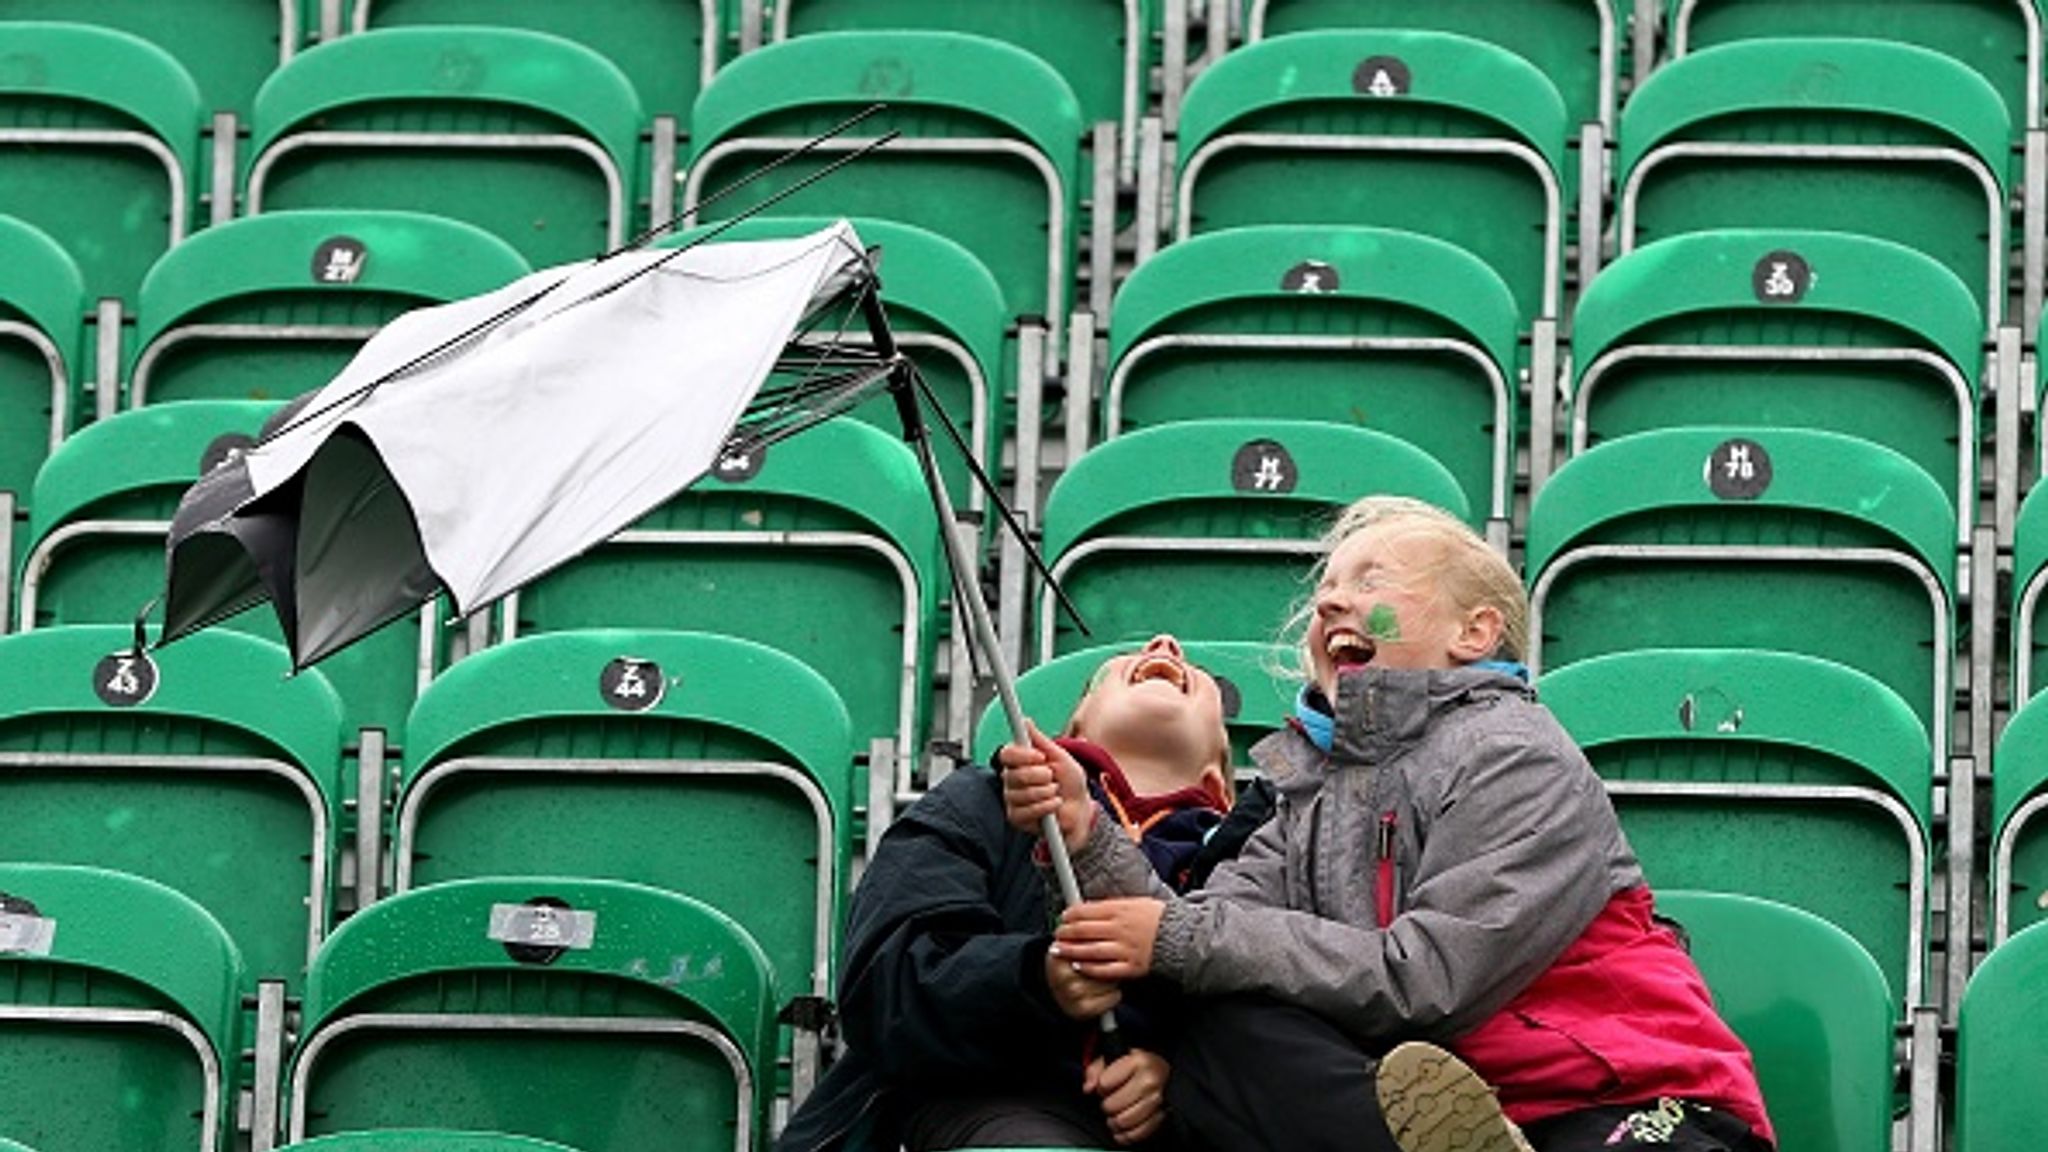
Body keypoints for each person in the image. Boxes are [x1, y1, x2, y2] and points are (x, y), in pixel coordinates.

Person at [1004, 497, 1776, 1152]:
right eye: (1327, 589)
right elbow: (1204, 933)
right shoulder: (1308, 783)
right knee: (1217, 1024)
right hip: (1476, 1110)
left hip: (1624, 1104)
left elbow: (1429, 980)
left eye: (1371, 582)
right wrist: (1085, 832)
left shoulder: (1515, 753)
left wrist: (1175, 940)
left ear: (1473, 634)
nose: (1332, 602)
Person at [775, 634, 1275, 1152]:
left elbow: (1286, 1000)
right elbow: (884, 985)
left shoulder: (1260, 852)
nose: (1165, 646)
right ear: (1072, 730)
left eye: (1190, 667)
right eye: (1110, 669)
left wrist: (1183, 1079)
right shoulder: (975, 803)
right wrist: (1035, 981)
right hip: (989, 1104)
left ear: (1219, 780)